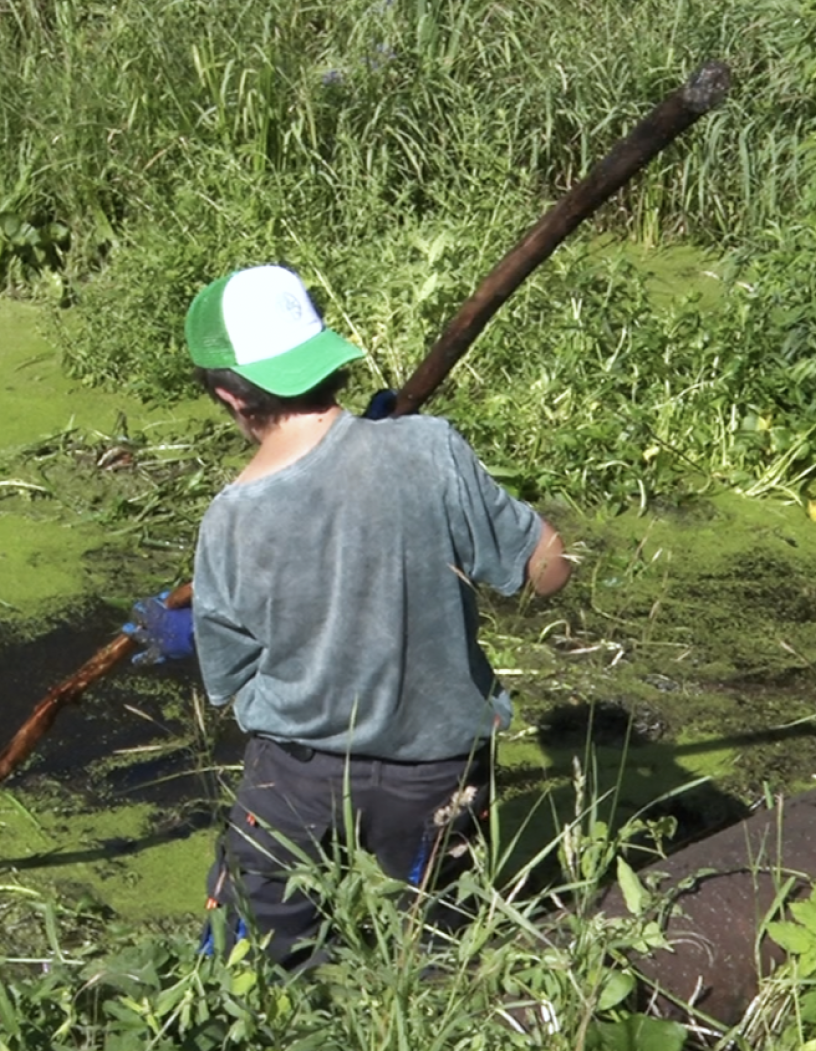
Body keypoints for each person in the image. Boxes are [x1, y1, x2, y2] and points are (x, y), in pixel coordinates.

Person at [127, 264, 570, 968]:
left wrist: (190, 630)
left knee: (254, 951)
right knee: (440, 943)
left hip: (296, 775)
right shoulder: (429, 447)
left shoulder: (231, 517)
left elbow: (229, 675)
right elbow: (546, 573)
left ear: (227, 397)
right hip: (440, 771)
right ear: (326, 358)